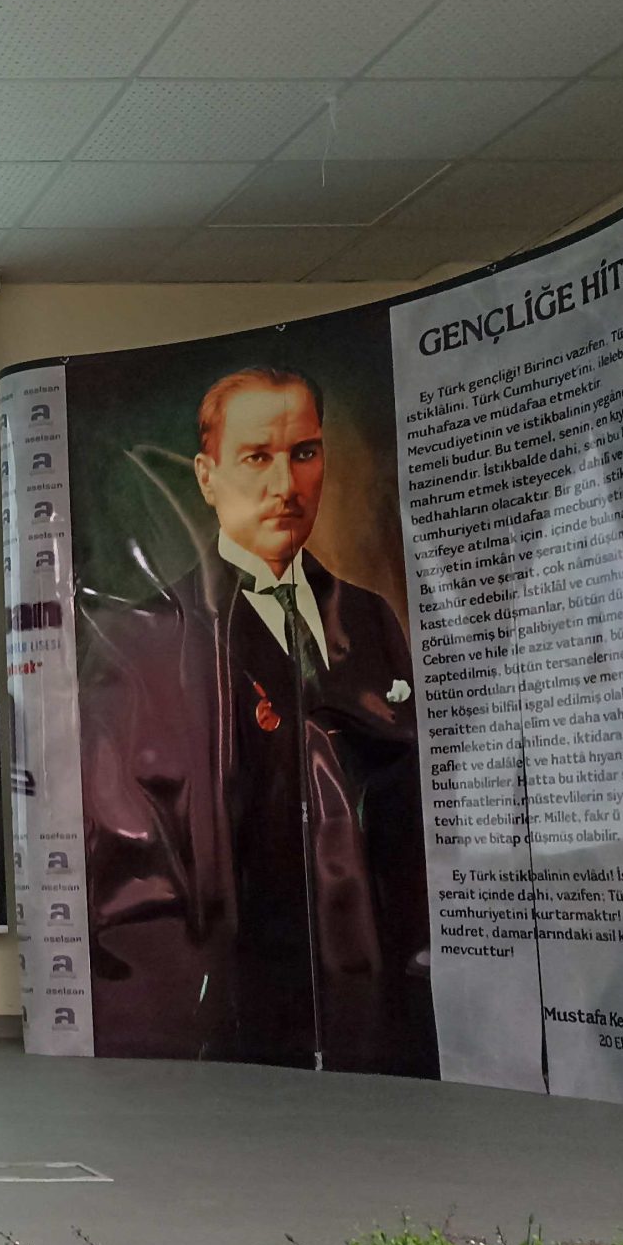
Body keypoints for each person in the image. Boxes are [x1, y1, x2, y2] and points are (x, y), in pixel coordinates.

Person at [79, 367, 434, 1075]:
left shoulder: (369, 618)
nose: (285, 485)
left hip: (379, 1014)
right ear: (207, 477)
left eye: (304, 453)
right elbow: (135, 873)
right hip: (240, 1026)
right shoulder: (149, 638)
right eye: (256, 457)